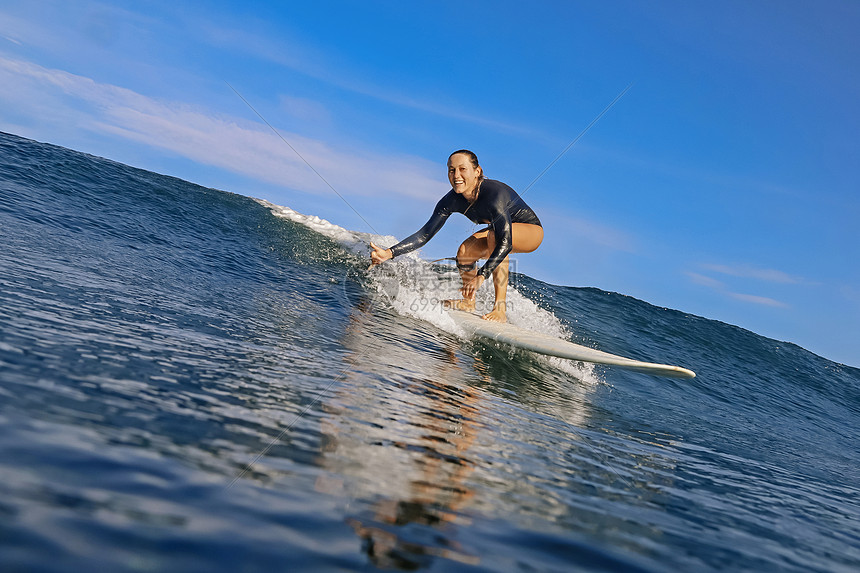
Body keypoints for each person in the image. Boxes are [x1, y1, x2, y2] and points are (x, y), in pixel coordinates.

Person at [370, 150, 543, 322]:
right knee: (465, 251)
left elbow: (506, 242)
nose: (456, 175)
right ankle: (469, 302)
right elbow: (425, 234)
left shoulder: (493, 195)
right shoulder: (451, 200)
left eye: (462, 169)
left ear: (477, 172)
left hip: (531, 231)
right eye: (451, 170)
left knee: (494, 237)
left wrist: (481, 276)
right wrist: (389, 253)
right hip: (498, 231)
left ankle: (500, 309)